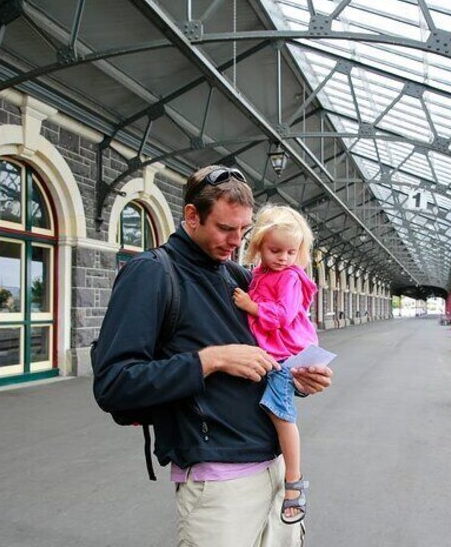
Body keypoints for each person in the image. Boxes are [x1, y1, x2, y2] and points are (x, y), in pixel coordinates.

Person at [92, 165, 333, 547]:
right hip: (220, 484)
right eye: (224, 228)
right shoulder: (152, 273)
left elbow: (268, 353)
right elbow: (114, 383)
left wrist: (298, 378)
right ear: (191, 216)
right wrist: (211, 360)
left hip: (277, 470)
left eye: (243, 230)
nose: (235, 241)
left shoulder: (237, 278)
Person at [232, 205, 318, 524]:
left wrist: (250, 305)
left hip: (285, 353)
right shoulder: (262, 274)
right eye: (275, 250)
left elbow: (282, 316)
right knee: (273, 409)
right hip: (275, 351)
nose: (283, 257)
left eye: (290, 252)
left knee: (280, 413)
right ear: (259, 246)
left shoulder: (290, 278)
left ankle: (293, 483)